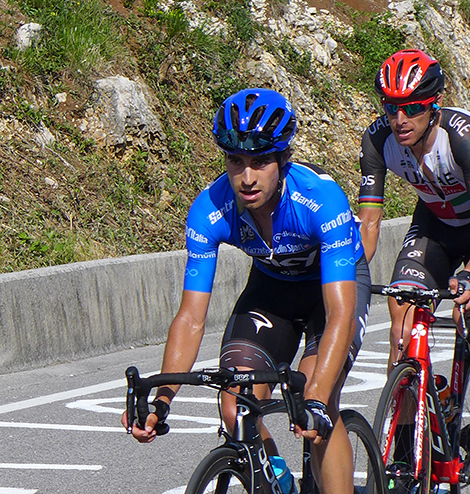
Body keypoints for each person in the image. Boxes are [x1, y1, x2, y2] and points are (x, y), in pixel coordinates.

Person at [121, 88, 371, 494]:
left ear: (283, 160)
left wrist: (317, 401)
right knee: (236, 404)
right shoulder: (210, 209)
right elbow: (191, 316)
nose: (247, 176)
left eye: (260, 161)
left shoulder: (320, 201)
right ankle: (282, 486)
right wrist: (162, 398)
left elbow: (340, 314)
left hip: (335, 292)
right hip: (272, 291)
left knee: (316, 400)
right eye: (235, 161)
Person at [358, 49, 470, 373]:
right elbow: (368, 224)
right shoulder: (378, 140)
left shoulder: (460, 138)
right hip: (434, 226)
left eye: (412, 108)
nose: (400, 120)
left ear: (434, 103)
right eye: (392, 108)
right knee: (403, 326)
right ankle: (408, 422)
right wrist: (347, 274)